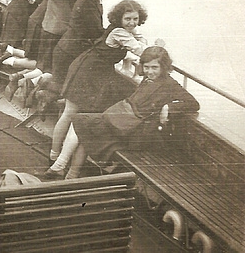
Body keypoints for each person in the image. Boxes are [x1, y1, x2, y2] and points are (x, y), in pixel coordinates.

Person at [44, 47, 199, 180]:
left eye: (154, 68)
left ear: (163, 67)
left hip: (136, 133)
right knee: (85, 127)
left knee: (83, 124)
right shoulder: (148, 79)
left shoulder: (170, 85)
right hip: (124, 123)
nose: (149, 72)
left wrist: (168, 108)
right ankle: (70, 174)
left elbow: (193, 103)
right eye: (147, 67)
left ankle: (62, 167)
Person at [48, 0, 159, 167]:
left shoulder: (123, 31)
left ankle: (58, 156)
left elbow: (138, 38)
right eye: (128, 19)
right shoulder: (118, 33)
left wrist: (136, 33)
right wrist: (158, 47)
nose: (132, 23)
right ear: (119, 18)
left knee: (76, 114)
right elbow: (140, 50)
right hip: (87, 73)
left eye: (135, 19)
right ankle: (54, 154)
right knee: (70, 112)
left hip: (94, 73)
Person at [51, 0, 109, 84]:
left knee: (59, 84)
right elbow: (96, 31)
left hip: (67, 48)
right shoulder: (87, 1)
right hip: (68, 52)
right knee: (59, 87)